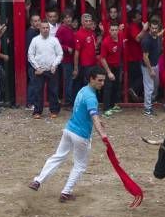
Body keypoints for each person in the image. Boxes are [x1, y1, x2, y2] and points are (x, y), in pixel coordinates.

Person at [28, 66, 108, 203]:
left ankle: (38, 180)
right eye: (99, 80)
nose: (102, 83)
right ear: (91, 79)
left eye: (103, 80)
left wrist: (98, 120)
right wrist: (103, 135)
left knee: (58, 156)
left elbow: (82, 110)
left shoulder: (83, 91)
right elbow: (93, 117)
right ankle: (66, 192)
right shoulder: (91, 98)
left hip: (69, 129)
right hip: (81, 135)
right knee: (80, 165)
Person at [29, 21, 63, 119]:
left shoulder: (54, 40)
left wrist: (54, 65)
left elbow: (60, 54)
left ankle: (54, 110)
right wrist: (36, 67)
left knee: (53, 91)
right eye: (43, 28)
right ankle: (37, 111)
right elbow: (30, 55)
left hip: (51, 69)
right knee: (38, 91)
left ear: (49, 29)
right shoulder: (35, 40)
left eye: (47, 28)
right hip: (39, 70)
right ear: (40, 28)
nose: (45, 30)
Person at [98, 22, 123, 116]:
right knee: (107, 87)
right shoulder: (106, 42)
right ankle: (106, 108)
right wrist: (108, 72)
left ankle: (113, 105)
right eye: (112, 30)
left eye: (116, 30)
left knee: (116, 86)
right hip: (107, 66)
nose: (114, 32)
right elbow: (102, 58)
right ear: (109, 31)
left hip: (117, 65)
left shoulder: (120, 37)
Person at [140, 19, 162, 116]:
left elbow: (157, 35)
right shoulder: (146, 40)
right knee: (149, 88)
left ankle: (150, 105)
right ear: (149, 28)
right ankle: (147, 109)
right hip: (148, 66)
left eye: (155, 28)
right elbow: (145, 57)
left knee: (154, 86)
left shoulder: (155, 36)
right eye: (152, 28)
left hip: (155, 64)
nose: (154, 30)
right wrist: (150, 69)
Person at [56, 11, 76, 106]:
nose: (69, 19)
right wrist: (66, 48)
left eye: (70, 17)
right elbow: (57, 43)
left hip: (70, 59)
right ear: (63, 19)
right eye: (66, 17)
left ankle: (69, 100)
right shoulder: (62, 29)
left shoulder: (69, 28)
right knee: (68, 81)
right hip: (65, 59)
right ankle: (68, 102)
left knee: (70, 80)